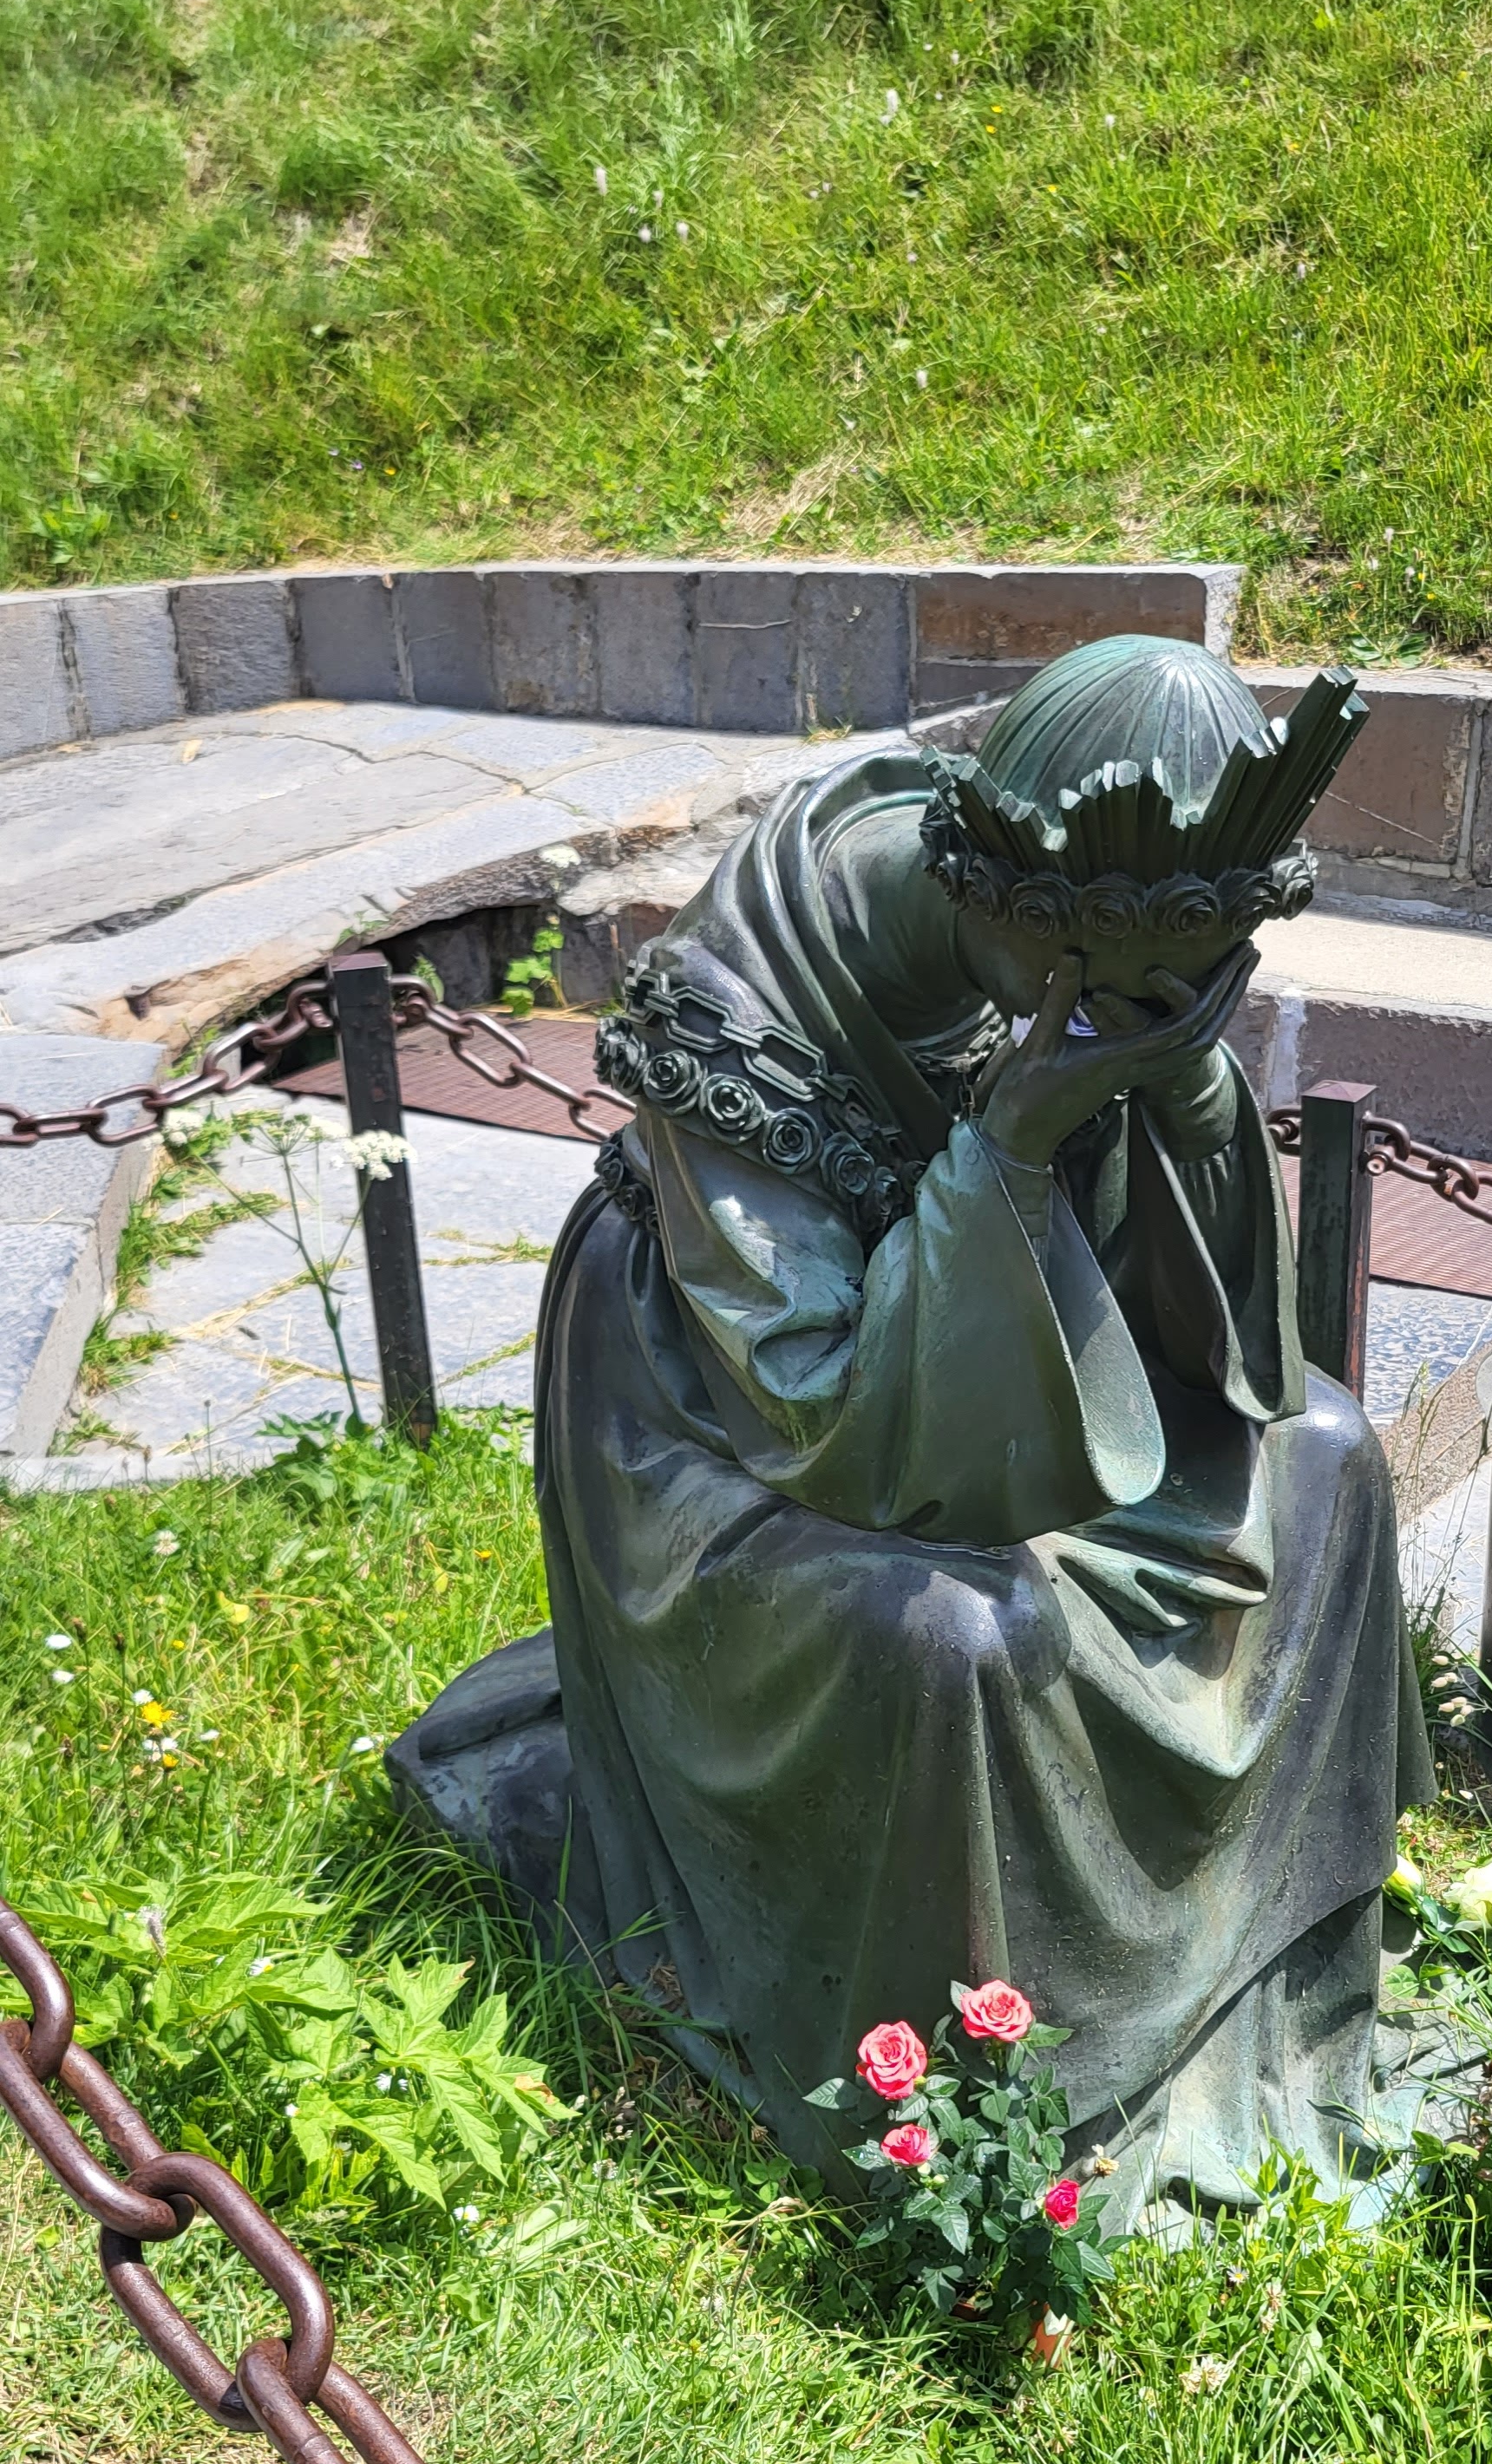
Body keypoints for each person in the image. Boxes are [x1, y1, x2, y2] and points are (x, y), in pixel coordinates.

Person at [399, 634, 1439, 2233]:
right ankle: (981, 2117)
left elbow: (1221, 1338)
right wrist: (1016, 1133)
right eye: (1125, 985)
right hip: (722, 1417)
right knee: (959, 1630)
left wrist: (1184, 1089)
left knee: (1329, 1459)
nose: (1147, 1011)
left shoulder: (1061, 948)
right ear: (1007, 906)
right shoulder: (742, 1007)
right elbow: (828, 1415)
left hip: (990, 1349)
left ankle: (1270, 1988)